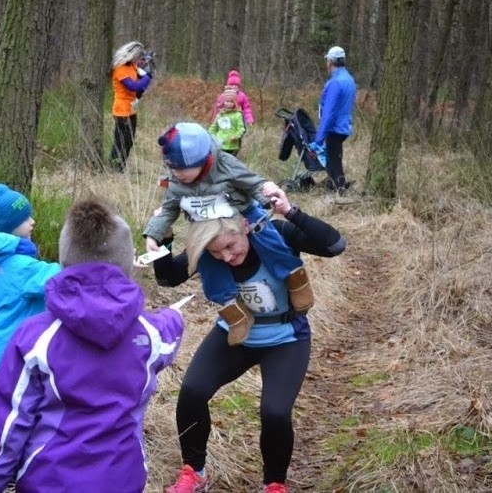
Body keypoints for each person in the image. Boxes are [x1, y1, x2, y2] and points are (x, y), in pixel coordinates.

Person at [0, 197, 185, 493]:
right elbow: (172, 332)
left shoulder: (33, 338)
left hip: (48, 481)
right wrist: (176, 315)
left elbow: (9, 428)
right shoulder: (151, 333)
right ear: (125, 263)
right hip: (122, 479)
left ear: (65, 260)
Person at [153, 185, 346, 493]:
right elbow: (167, 279)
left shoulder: (276, 234)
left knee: (275, 412)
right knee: (191, 391)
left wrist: (290, 211)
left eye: (230, 246)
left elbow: (335, 245)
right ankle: (194, 472)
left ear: (245, 226)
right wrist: (161, 236)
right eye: (216, 252)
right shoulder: (209, 251)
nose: (227, 257)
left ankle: (274, 484)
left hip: (286, 338)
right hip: (234, 335)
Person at [143, 122, 312, 333]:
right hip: (205, 226)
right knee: (207, 263)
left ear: (203, 159)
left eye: (183, 169)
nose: (177, 174)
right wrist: (153, 234)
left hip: (241, 213)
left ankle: (294, 275)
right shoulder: (176, 182)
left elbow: (253, 184)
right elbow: (168, 210)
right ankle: (231, 308)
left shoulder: (226, 165)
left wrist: (268, 199)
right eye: (173, 168)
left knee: (268, 238)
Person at [0, 183, 61, 376]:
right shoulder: (21, 267)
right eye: (25, 218)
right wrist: (104, 261)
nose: (32, 221)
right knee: (28, 403)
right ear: (6, 226)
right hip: (14, 351)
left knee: (10, 402)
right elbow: (64, 276)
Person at [313, 46, 357, 195]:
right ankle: (337, 186)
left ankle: (340, 190)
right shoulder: (349, 79)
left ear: (330, 62)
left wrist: (318, 140)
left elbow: (328, 114)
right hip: (345, 126)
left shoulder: (336, 83)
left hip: (335, 127)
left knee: (333, 161)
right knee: (335, 157)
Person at [109, 41, 153, 171]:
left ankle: (121, 166)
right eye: (138, 57)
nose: (139, 60)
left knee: (129, 140)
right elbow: (132, 85)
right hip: (121, 109)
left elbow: (139, 86)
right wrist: (147, 78)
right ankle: (115, 167)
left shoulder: (133, 66)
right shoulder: (120, 69)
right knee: (120, 141)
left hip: (131, 109)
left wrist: (144, 79)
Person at [208, 88, 247, 157]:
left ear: (235, 103)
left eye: (231, 102)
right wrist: (210, 135)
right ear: (223, 102)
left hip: (232, 146)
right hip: (219, 144)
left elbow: (241, 129)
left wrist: (236, 136)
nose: (229, 104)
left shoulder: (237, 115)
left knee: (230, 162)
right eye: (227, 101)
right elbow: (213, 127)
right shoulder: (220, 114)